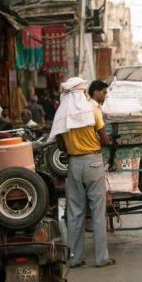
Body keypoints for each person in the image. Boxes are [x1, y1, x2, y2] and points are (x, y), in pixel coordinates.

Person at [50, 77, 115, 268]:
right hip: (93, 163)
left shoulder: (62, 115)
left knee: (75, 213)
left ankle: (74, 258)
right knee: (97, 212)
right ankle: (102, 258)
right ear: (83, 93)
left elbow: (60, 145)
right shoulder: (92, 111)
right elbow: (104, 139)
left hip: (74, 165)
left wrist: (73, 143)